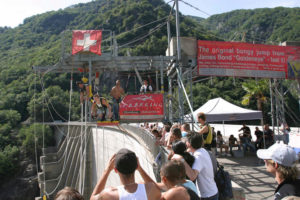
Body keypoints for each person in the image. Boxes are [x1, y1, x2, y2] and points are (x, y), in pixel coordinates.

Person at [90, 148, 161, 200]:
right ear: (136, 166)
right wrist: (140, 169)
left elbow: (93, 198)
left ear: (115, 170)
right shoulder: (150, 189)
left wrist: (107, 171)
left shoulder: (109, 194)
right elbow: (158, 189)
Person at [173, 132, 218, 200]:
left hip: (208, 196)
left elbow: (192, 176)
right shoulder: (201, 150)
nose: (185, 143)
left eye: (186, 141)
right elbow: (188, 151)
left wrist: (181, 159)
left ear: (189, 143)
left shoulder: (199, 156)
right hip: (210, 192)